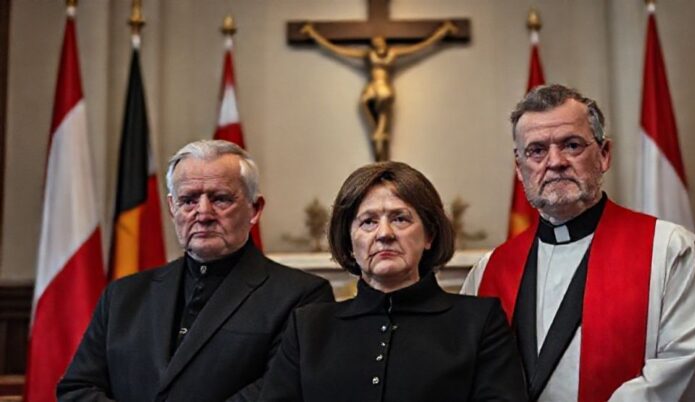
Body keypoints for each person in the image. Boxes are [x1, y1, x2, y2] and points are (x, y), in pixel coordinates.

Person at [461, 84, 695, 402]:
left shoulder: (670, 252)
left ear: (604, 155)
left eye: (572, 145)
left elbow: (686, 369)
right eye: (536, 150)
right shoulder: (488, 271)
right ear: (519, 168)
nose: (555, 161)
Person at [58, 140, 334, 402]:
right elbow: (78, 388)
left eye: (221, 199)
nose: (203, 213)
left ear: (254, 208)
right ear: (171, 208)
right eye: (188, 200)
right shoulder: (122, 296)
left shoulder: (302, 297)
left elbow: (280, 393)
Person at [259, 161, 527, 401]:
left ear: (429, 235)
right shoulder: (308, 327)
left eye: (400, 218)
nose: (384, 234)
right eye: (368, 222)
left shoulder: (479, 321)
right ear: (350, 242)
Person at [300, 21, 458, 162]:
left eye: (380, 42)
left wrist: (441, 33)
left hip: (384, 88)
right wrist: (315, 36)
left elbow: (418, 48)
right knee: (365, 105)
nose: (378, 46)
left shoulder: (393, 54)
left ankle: (380, 145)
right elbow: (340, 51)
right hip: (372, 87)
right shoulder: (368, 55)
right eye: (375, 44)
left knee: (382, 121)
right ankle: (378, 137)